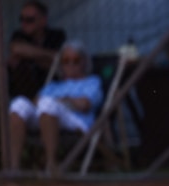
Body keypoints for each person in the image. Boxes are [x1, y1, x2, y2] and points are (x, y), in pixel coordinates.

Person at [6, 40, 103, 177]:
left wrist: (58, 102)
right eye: (65, 61)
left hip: (76, 121)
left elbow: (84, 104)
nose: (70, 65)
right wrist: (61, 101)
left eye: (76, 60)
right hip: (48, 115)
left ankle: (51, 163)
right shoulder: (54, 86)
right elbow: (35, 102)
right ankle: (14, 167)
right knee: (19, 103)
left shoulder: (92, 82)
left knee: (47, 104)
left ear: (84, 63)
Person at [8, 0, 67, 100]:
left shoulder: (57, 35)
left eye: (29, 20)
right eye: (21, 19)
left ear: (43, 20)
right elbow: (17, 48)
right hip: (24, 90)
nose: (24, 23)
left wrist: (29, 56)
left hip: (51, 86)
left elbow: (61, 60)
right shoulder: (18, 35)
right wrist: (49, 56)